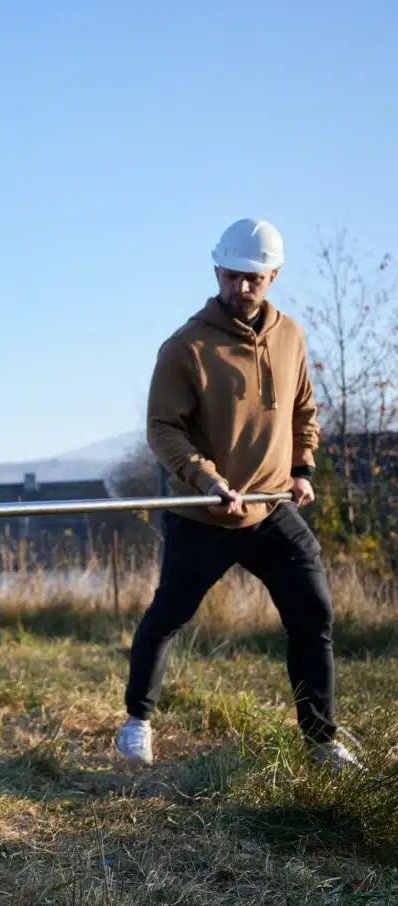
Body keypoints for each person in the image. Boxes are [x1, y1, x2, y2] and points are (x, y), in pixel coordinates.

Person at [114, 218, 361, 772]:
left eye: (253, 278)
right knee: (168, 615)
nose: (240, 288)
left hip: (272, 509)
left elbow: (303, 409)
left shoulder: (291, 337)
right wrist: (206, 479)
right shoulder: (186, 346)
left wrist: (302, 467)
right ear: (216, 271)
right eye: (230, 277)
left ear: (272, 275)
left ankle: (321, 741)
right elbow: (163, 428)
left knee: (312, 613)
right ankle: (137, 720)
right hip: (204, 513)